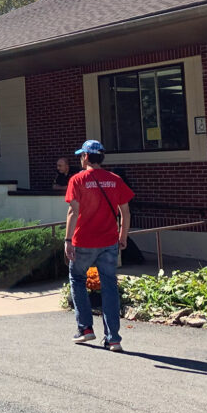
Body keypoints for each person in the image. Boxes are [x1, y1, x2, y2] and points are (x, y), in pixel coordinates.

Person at [64, 140, 134, 352]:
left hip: (83, 240)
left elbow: (73, 212)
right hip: (109, 241)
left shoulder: (77, 180)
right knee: (110, 286)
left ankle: (85, 328)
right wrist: (123, 236)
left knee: (77, 278)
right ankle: (113, 339)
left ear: (85, 157)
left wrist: (67, 240)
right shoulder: (115, 180)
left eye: (81, 156)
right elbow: (125, 212)